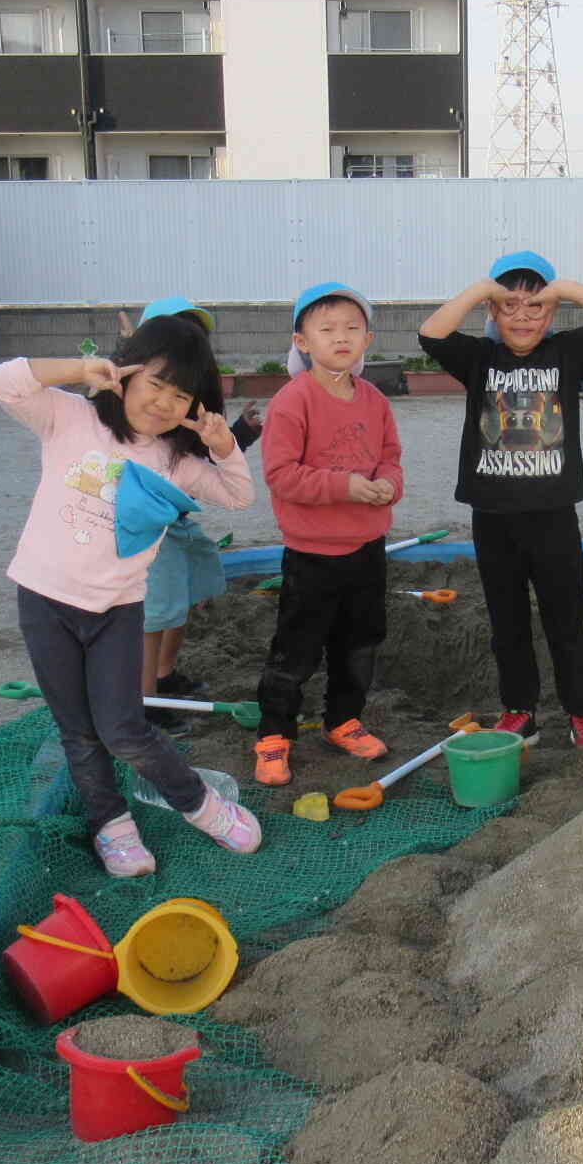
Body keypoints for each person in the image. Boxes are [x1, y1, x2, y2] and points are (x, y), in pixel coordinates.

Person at [0, 319, 262, 877]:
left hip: (116, 610)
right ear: (127, 373)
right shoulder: (71, 417)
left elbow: (238, 494)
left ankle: (201, 805)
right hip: (45, 601)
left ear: (195, 403)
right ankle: (112, 825)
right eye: (154, 383)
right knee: (79, 732)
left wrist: (223, 444)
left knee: (123, 729)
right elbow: (0, 381)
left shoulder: (176, 462)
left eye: (180, 394)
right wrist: (79, 371)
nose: (162, 403)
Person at [417, 250, 583, 748]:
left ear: (553, 312)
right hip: (492, 517)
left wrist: (564, 289)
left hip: (554, 515)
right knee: (507, 622)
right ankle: (519, 709)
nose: (522, 317)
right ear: (492, 312)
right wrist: (482, 291)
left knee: (567, 620)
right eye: (509, 306)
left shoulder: (567, 353)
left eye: (535, 307)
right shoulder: (478, 360)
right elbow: (431, 333)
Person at [252, 282, 404, 788]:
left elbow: (390, 458)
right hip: (311, 554)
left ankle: (342, 720)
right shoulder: (292, 401)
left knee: (360, 643)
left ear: (368, 338)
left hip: (366, 547)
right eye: (327, 329)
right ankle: (274, 735)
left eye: (352, 329)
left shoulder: (375, 400)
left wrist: (387, 486)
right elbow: (281, 474)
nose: (341, 337)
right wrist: (346, 487)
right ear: (302, 341)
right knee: (295, 650)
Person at [117, 300, 265, 736]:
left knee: (187, 594)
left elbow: (199, 462)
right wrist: (116, 355)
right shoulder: (135, 403)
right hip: (147, 528)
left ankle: (165, 676)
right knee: (155, 614)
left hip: (177, 519)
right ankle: (145, 705)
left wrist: (236, 435)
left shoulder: (190, 400)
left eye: (195, 339)